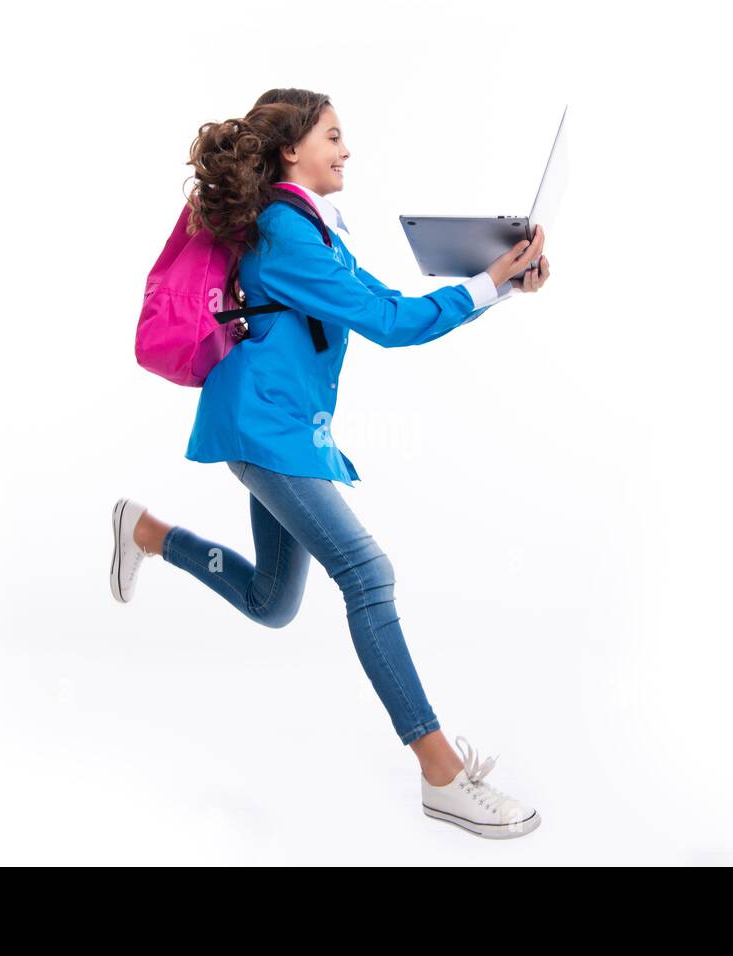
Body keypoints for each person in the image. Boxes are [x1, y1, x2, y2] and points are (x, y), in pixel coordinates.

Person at [111, 88, 550, 839]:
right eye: (334, 136)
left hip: (285, 431)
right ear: (292, 151)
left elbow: (386, 303)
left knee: (271, 603)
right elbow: (388, 324)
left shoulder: (310, 230)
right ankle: (440, 771)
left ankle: (147, 532)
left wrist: (498, 283)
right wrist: (488, 286)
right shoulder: (285, 230)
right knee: (367, 573)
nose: (347, 150)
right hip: (261, 429)